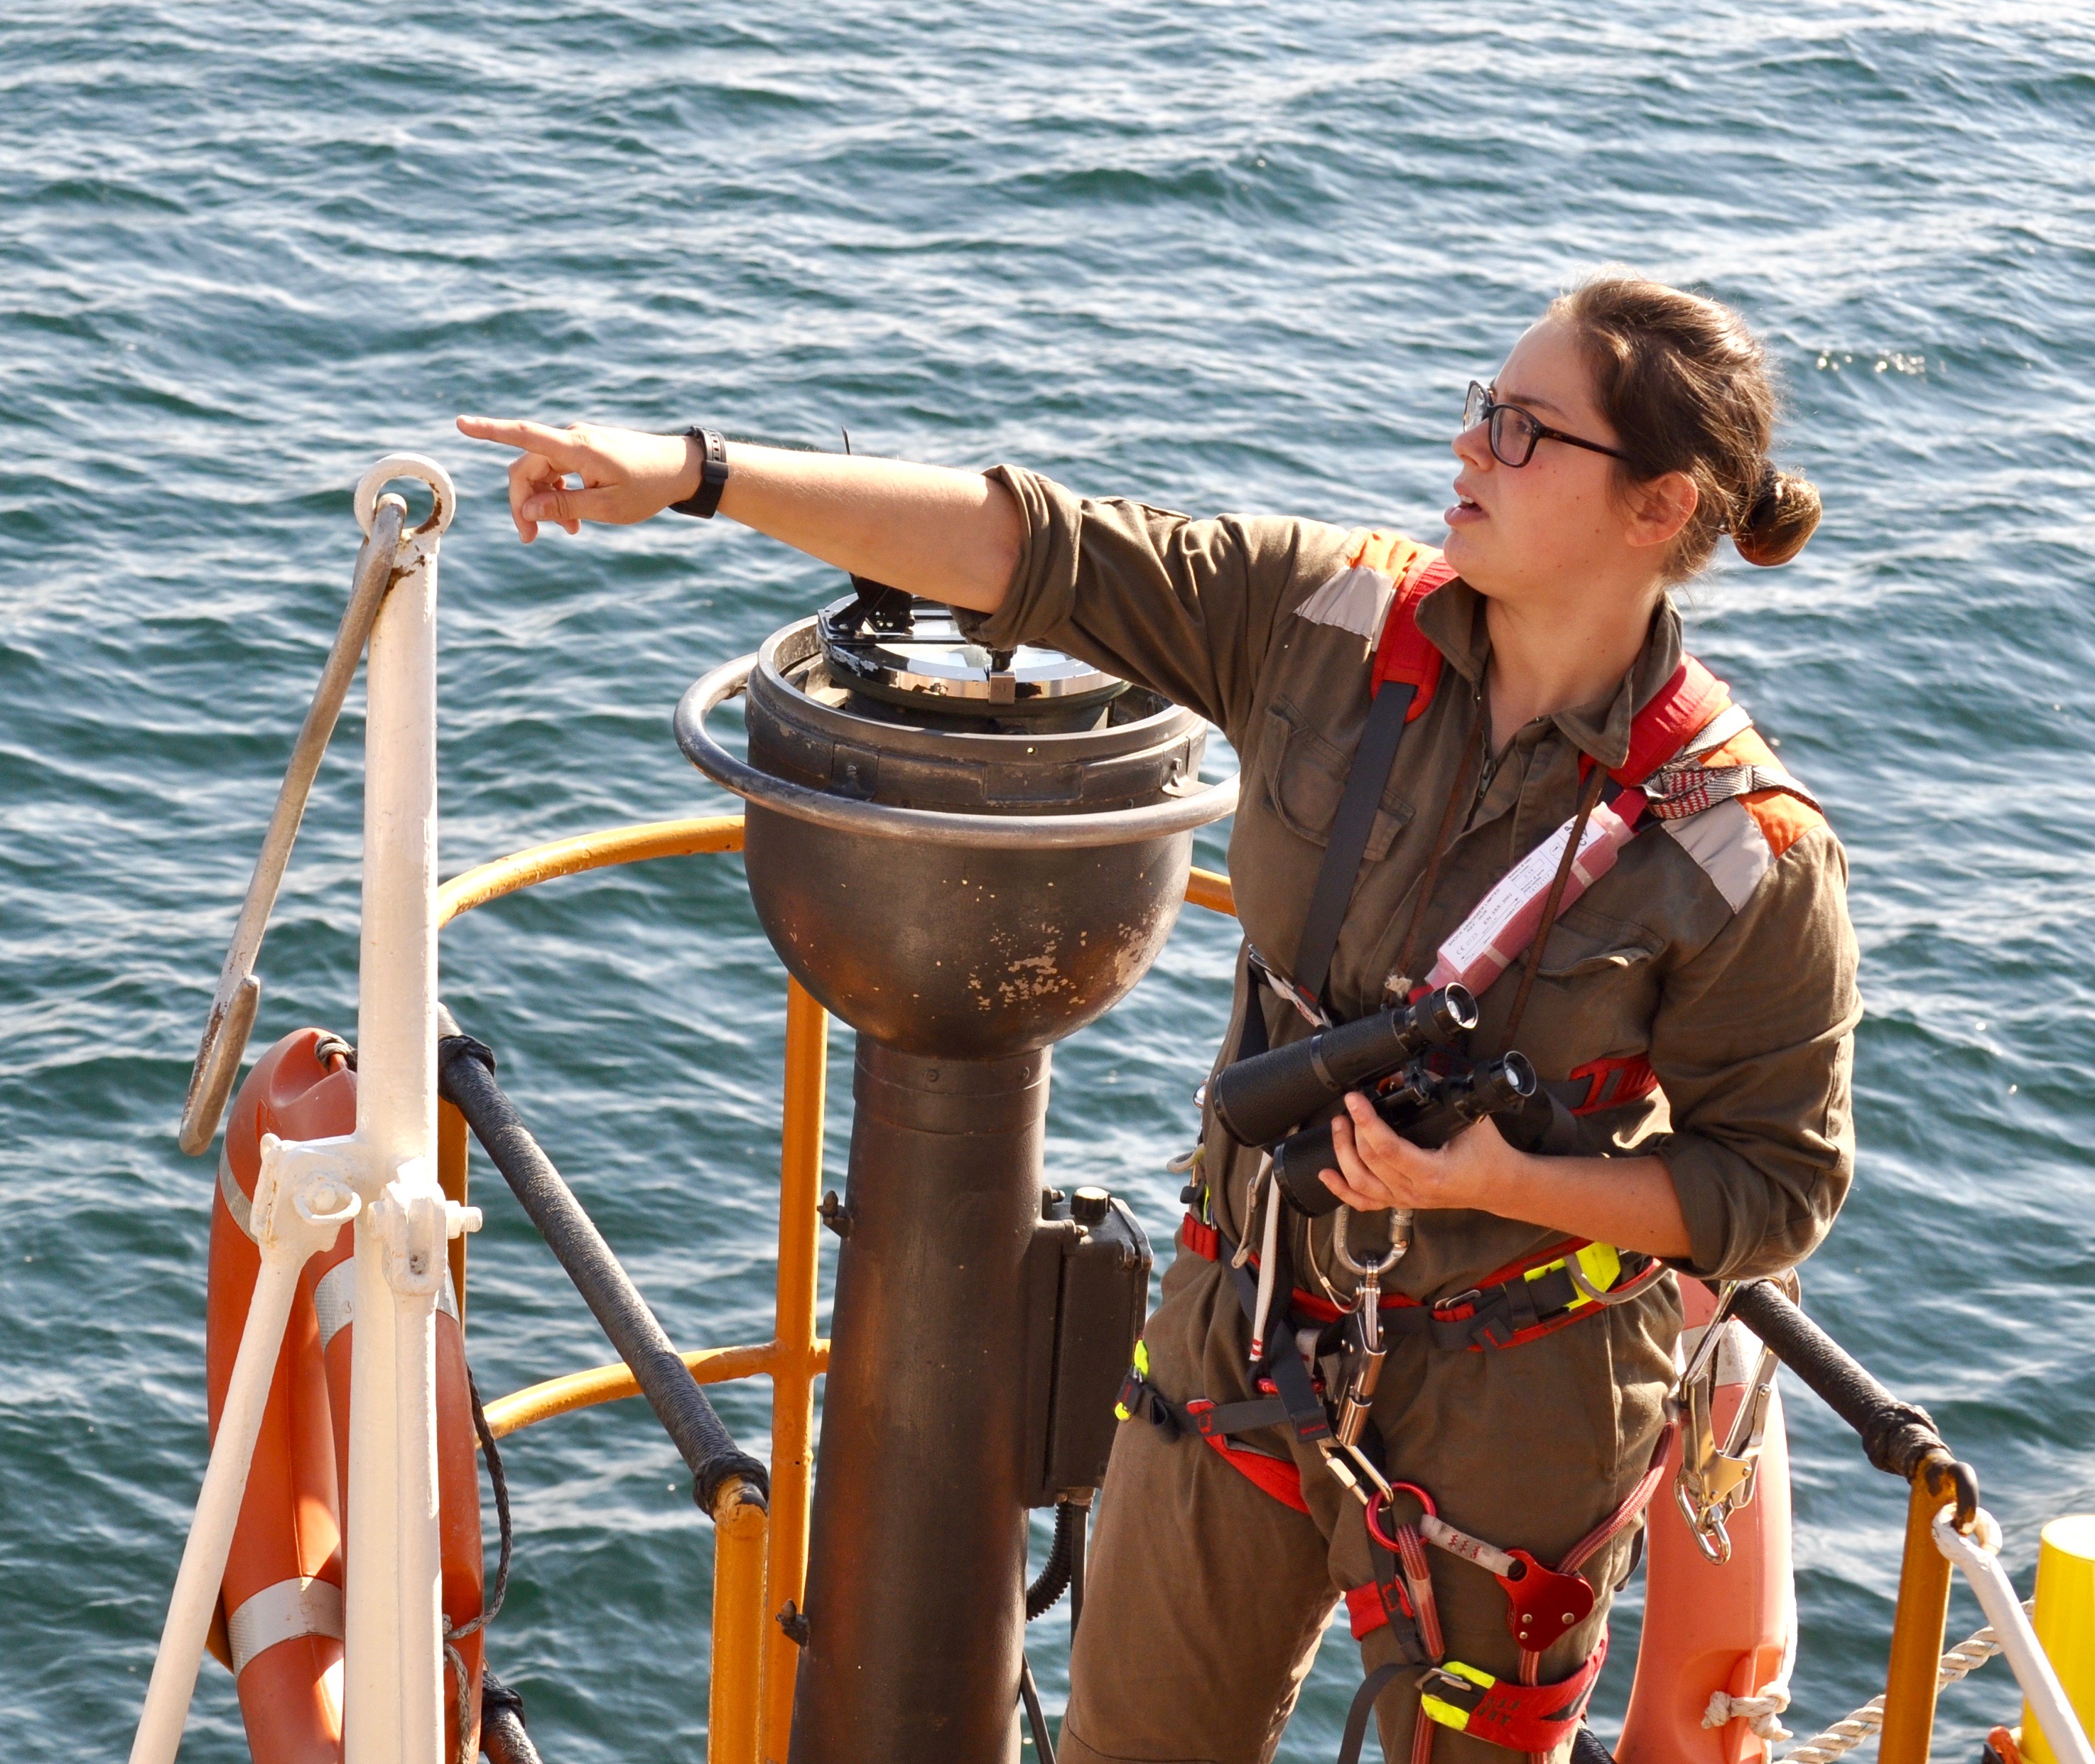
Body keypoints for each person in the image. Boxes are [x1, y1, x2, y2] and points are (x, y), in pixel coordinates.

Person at [455, 272, 1854, 1764]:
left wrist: (1497, 1181)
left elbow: (1773, 1185)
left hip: (1521, 1412)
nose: (1466, 450)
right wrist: (695, 473)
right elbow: (1031, 547)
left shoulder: (1737, 848)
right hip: (1243, 1337)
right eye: (1478, 407)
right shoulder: (1330, 621)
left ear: (1655, 508)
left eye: (1522, 432)